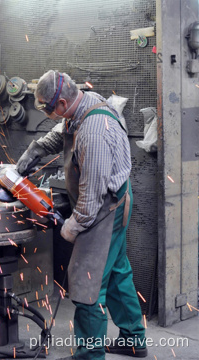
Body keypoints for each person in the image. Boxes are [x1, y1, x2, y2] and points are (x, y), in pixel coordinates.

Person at [16, 70, 147, 360]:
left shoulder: (94, 130)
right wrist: (32, 153)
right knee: (116, 272)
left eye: (48, 109)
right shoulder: (83, 105)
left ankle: (89, 355)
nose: (49, 114)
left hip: (103, 209)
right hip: (112, 201)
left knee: (86, 282)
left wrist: (73, 226)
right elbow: (60, 135)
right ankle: (133, 340)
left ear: (62, 102)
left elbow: (92, 193)